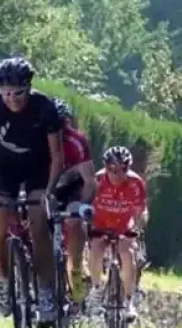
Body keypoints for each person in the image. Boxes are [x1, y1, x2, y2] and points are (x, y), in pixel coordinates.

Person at [0, 57, 64, 321]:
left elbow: (57, 155)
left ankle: (45, 289)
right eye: (6, 93)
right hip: (4, 170)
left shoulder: (44, 106)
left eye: (18, 93)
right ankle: (1, 282)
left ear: (29, 88)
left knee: (38, 227)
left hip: (37, 169)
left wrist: (49, 191)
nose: (12, 99)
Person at [86, 146, 149, 319]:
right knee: (96, 249)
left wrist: (138, 226)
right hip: (101, 223)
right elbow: (86, 204)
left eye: (123, 170)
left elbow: (141, 211)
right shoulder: (97, 180)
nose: (117, 175)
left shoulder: (136, 183)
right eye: (113, 170)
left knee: (127, 253)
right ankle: (97, 290)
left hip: (124, 226)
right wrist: (88, 224)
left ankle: (130, 301)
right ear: (106, 168)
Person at [49, 97, 95, 302]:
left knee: (76, 222)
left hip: (72, 190)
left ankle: (76, 270)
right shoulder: (36, 139)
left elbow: (89, 181)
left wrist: (84, 204)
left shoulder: (77, 141)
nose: (59, 129)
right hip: (46, 189)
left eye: (63, 123)